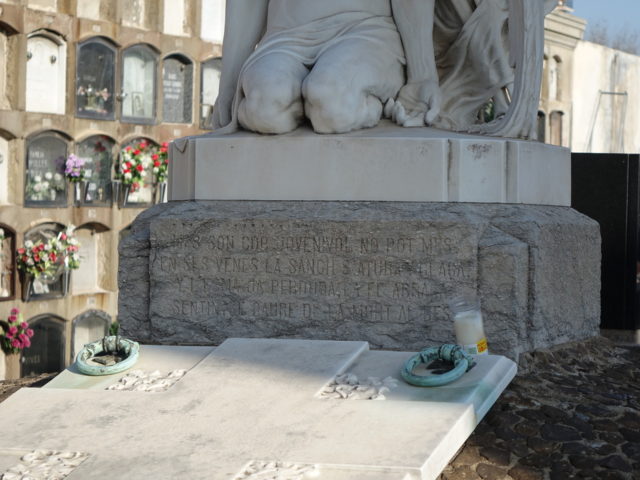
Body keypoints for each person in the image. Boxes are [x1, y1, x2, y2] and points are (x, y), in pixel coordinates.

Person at [212, 0, 441, 134]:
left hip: (365, 31)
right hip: (284, 37)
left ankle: (372, 105)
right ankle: (312, 104)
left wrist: (422, 75)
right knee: (263, 107)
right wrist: (229, 85)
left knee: (333, 103)